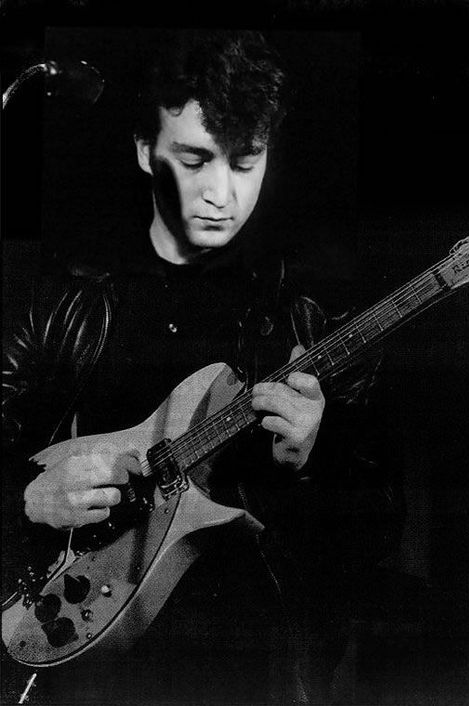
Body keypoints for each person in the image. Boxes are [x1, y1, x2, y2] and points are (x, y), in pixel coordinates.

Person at [2, 30, 402, 705]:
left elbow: (375, 541)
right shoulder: (60, 297)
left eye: (245, 162)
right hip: (79, 666)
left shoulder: (307, 319)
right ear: (143, 151)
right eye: (193, 159)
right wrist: (24, 496)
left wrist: (314, 454)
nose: (221, 193)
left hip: (246, 671)